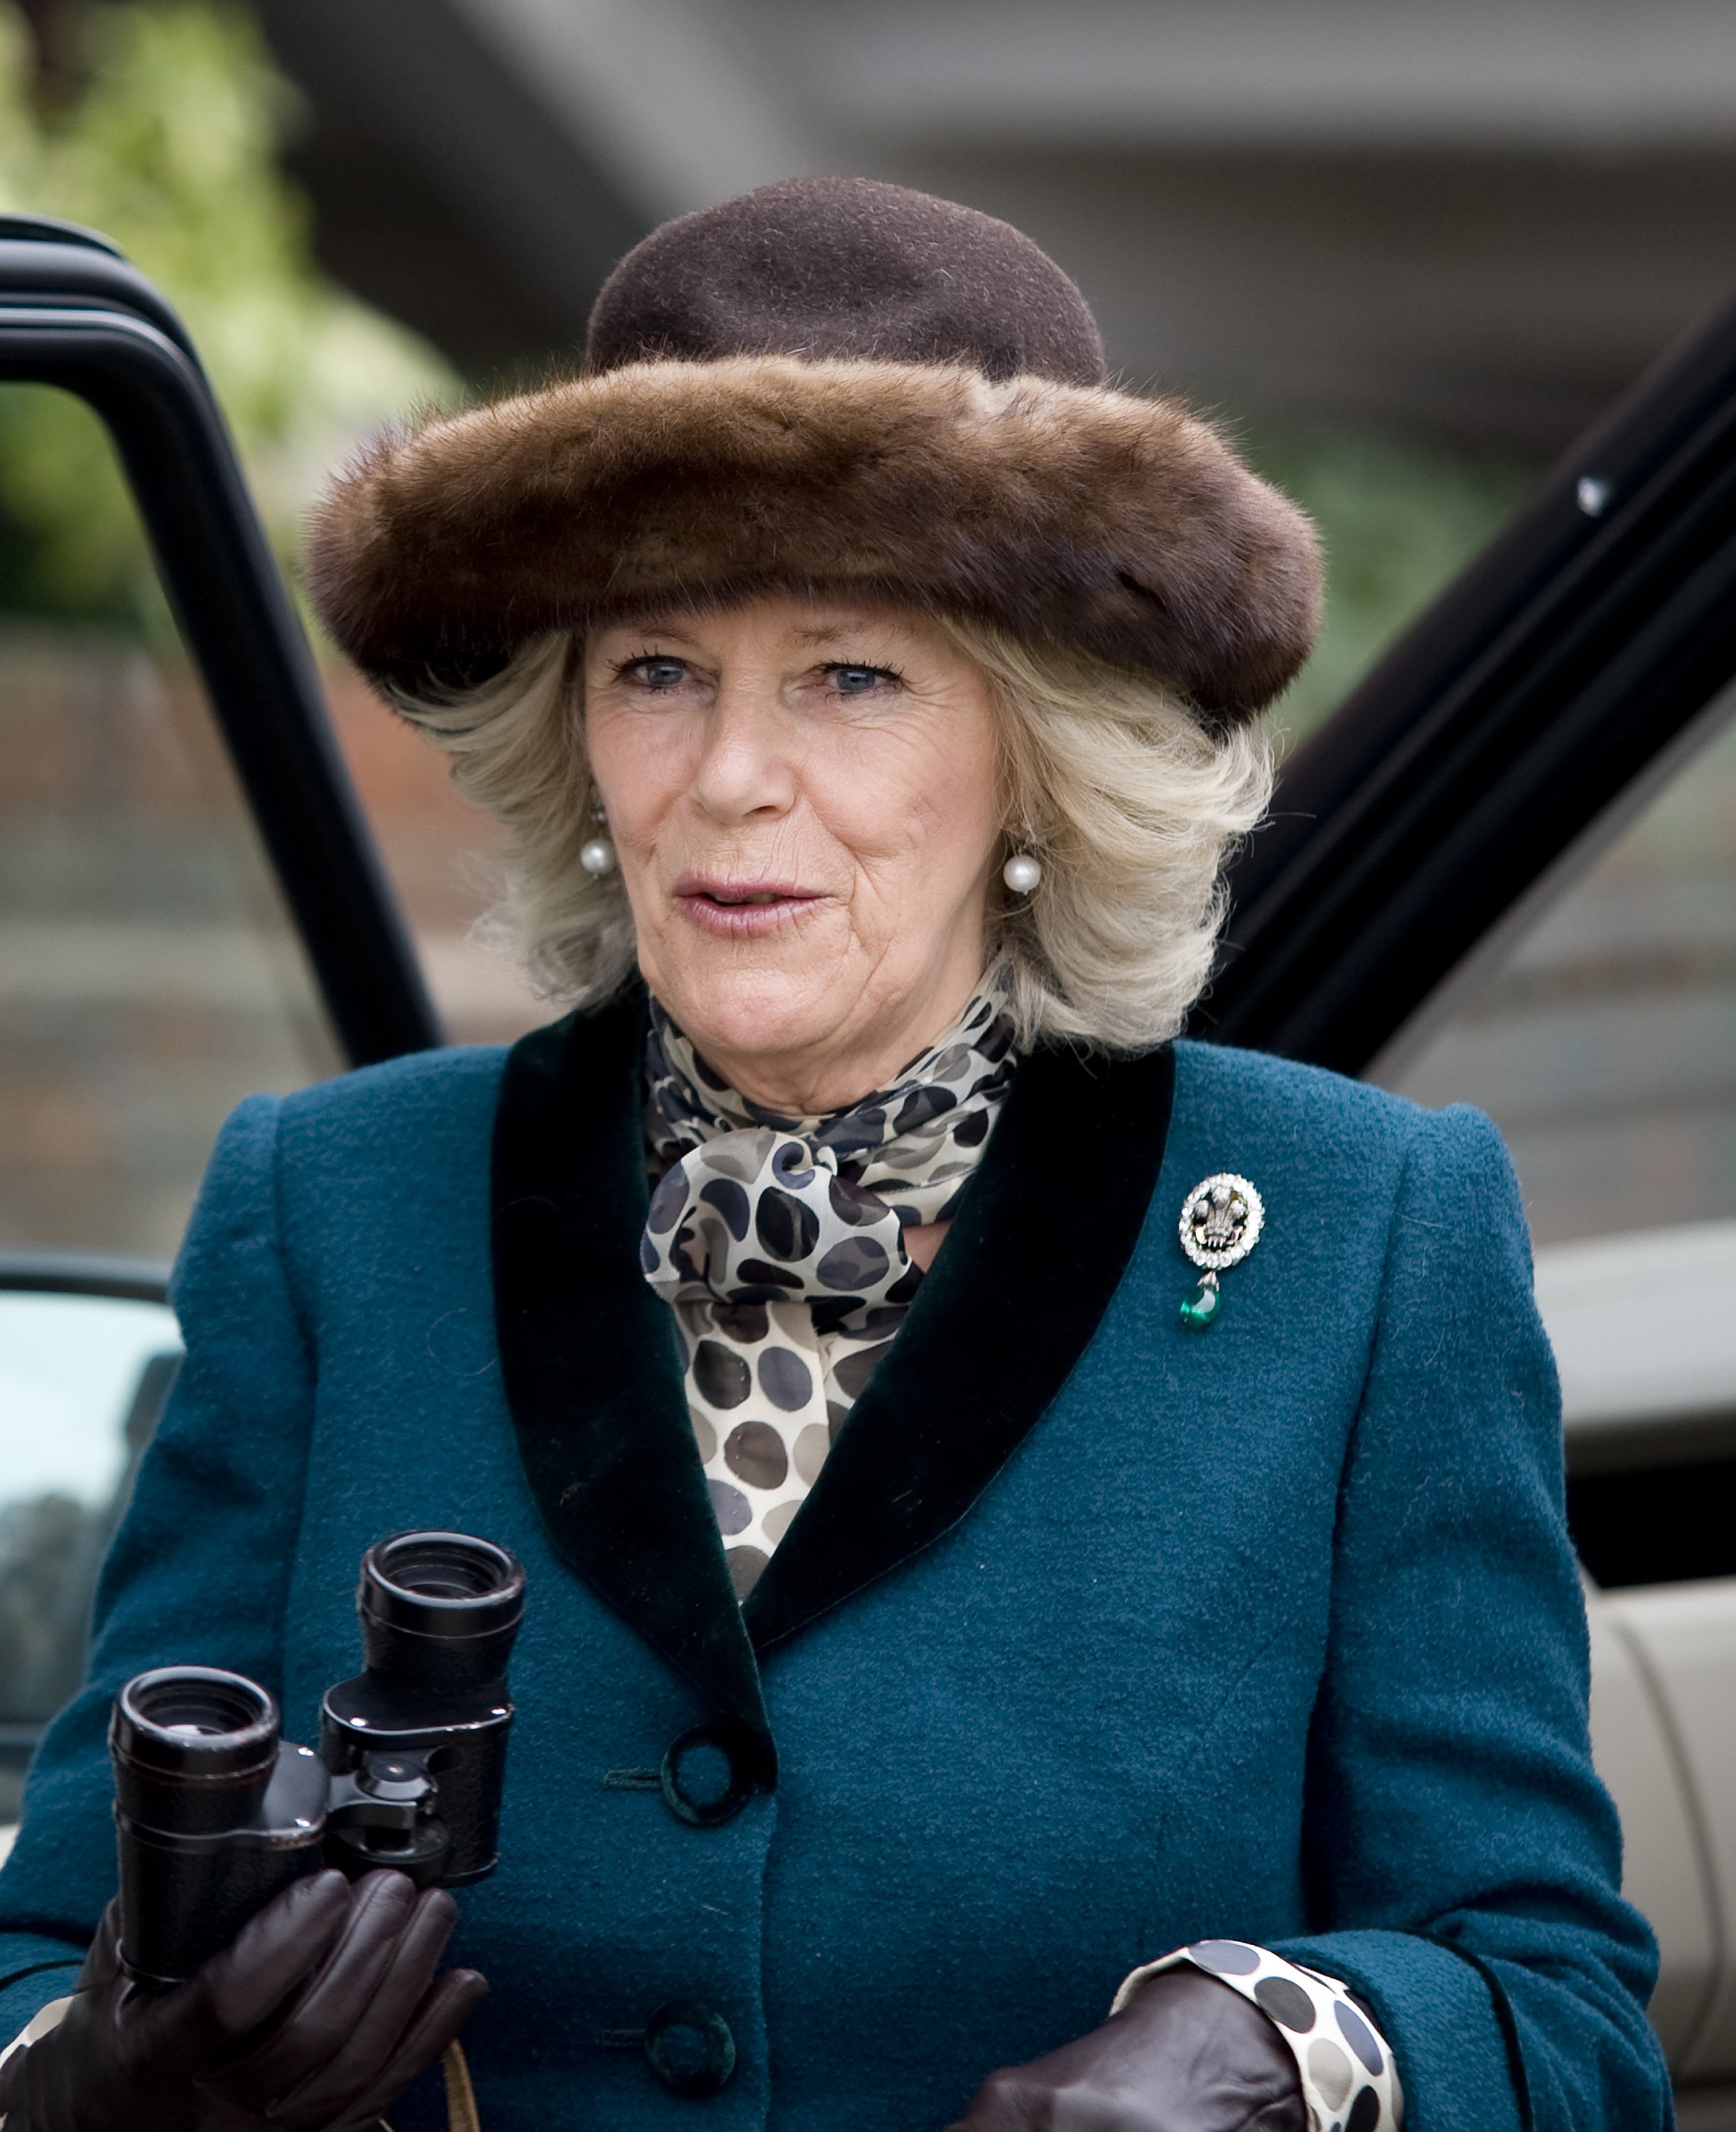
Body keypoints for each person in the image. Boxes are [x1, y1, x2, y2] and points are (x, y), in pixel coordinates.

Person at [0, 178, 1668, 2132]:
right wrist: (86, 2084)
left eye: (849, 674)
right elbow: (49, 1941)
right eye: (655, 668)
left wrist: (1277, 2042)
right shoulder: (330, 1208)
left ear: (1039, 750)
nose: (725, 776)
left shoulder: (1364, 1233)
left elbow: (1554, 2009)